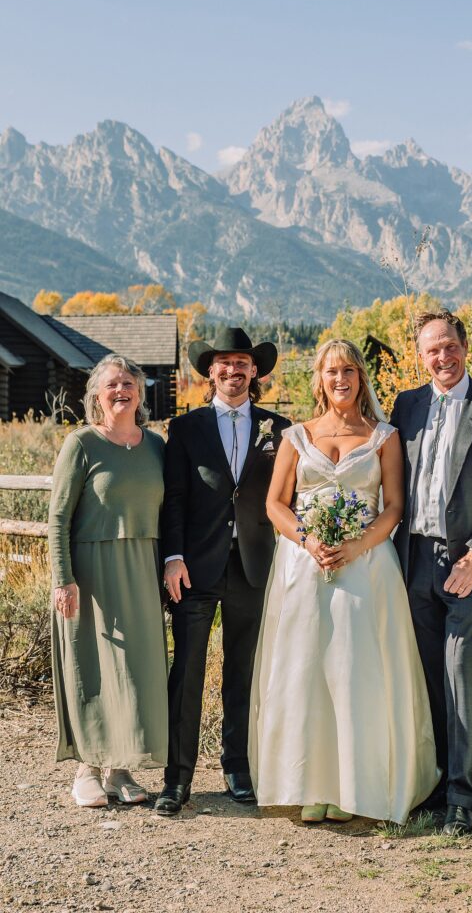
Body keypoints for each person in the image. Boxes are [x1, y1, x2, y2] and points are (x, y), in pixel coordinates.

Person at [249, 339, 439, 825]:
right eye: (332, 371)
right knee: (306, 671)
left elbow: (394, 506)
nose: (341, 379)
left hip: (367, 567)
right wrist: (308, 540)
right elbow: (275, 504)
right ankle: (311, 784)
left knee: (358, 670)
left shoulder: (384, 437)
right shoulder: (296, 436)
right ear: (320, 378)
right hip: (304, 568)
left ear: (361, 378)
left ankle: (356, 784)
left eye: (349, 371)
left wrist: (356, 547)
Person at [155, 328, 290, 815]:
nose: (233, 371)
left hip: (253, 564)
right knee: (186, 669)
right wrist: (173, 557)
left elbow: (290, 497)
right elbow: (173, 501)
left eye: (243, 363)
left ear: (255, 372)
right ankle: (178, 777)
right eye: (224, 363)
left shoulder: (279, 427)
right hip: (194, 566)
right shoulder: (185, 429)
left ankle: (238, 767)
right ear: (210, 371)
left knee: (244, 671)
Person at [390, 310, 472, 836]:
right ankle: (437, 784)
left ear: (465, 346)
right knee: (427, 677)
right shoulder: (407, 406)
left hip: (466, 563)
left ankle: (464, 796)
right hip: (415, 559)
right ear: (421, 356)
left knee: (461, 673)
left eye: (448, 346)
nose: (442, 357)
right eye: (431, 350)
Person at [49, 354, 168, 808]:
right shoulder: (80, 444)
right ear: (97, 395)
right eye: (112, 385)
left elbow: (170, 510)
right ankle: (87, 769)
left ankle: (121, 769)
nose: (121, 391)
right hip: (90, 571)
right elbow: (58, 518)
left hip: (142, 565)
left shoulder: (156, 445)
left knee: (136, 668)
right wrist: (64, 579)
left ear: (140, 392)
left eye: (129, 384)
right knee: (93, 666)